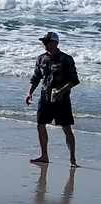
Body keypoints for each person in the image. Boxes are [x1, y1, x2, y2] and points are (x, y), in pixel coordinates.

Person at [25, 31, 80, 167]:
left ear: (55, 43)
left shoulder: (66, 59)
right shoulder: (41, 59)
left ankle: (72, 159)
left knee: (66, 128)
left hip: (62, 100)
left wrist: (61, 92)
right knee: (40, 125)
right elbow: (36, 77)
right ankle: (44, 156)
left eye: (47, 41)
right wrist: (29, 92)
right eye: (43, 41)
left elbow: (74, 80)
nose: (44, 44)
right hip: (45, 98)